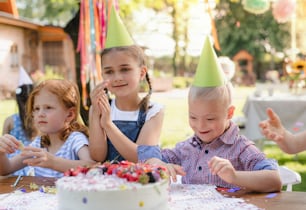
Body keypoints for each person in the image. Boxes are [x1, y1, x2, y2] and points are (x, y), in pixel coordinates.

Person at [142, 36, 282, 193]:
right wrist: (160, 165)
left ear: (229, 113)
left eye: (210, 118)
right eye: (193, 117)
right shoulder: (187, 148)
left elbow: (274, 180)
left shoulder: (241, 148)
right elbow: (148, 160)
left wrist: (235, 176)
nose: (200, 126)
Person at [88, 6, 164, 163]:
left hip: (140, 183)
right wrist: (96, 113)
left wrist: (108, 125)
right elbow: (97, 157)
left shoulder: (153, 112)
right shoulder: (98, 109)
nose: (117, 77)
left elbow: (142, 158)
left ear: (142, 73)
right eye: (109, 72)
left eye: (125, 69)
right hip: (107, 184)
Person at [0, 79, 95, 177]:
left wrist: (53, 162)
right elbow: (6, 169)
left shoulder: (75, 139)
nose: (40, 114)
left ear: (69, 115)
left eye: (48, 107)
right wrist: (1, 153)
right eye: (36, 109)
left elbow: (92, 166)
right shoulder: (38, 144)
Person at [2, 67, 37, 176]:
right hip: (28, 166)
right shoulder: (39, 120)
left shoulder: (10, 121)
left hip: (13, 168)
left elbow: (5, 145)